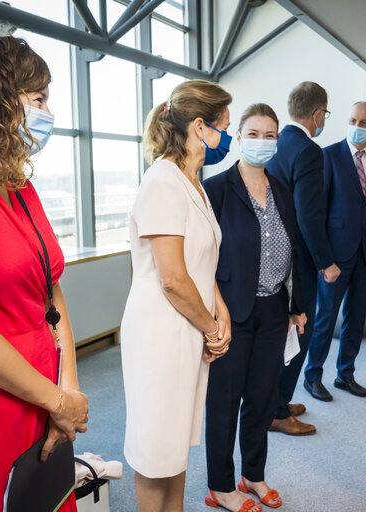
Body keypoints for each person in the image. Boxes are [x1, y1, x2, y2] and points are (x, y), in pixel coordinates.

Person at [0, 35, 89, 512]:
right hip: (0, 392)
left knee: (51, 495)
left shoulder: (19, 185)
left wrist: (69, 392)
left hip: (50, 387)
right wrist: (55, 400)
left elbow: (50, 292)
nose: (47, 113)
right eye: (38, 99)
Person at [120, 80, 233, 512]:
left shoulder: (194, 183)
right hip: (162, 329)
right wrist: (212, 329)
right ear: (200, 126)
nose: (229, 136)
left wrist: (218, 309)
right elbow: (172, 277)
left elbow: (201, 261)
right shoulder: (163, 182)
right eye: (224, 125)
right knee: (155, 450)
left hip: (189, 323)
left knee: (176, 442)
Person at [203, 103, 308, 512]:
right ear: (239, 137)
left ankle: (253, 475)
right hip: (230, 311)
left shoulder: (281, 187)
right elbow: (202, 257)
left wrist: (295, 305)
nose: (261, 142)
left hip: (273, 310)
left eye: (269, 135)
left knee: (263, 398)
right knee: (225, 401)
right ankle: (220, 485)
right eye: (253, 133)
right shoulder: (216, 189)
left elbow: (294, 250)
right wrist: (212, 311)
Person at [267, 81, 340, 435]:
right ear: (317, 114)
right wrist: (326, 261)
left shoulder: (272, 144)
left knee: (279, 334)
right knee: (299, 332)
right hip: (297, 263)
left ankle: (273, 401)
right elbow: (309, 214)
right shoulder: (310, 151)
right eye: (324, 114)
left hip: (269, 257)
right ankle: (278, 411)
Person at [303, 101, 366, 400]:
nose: (357, 126)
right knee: (325, 317)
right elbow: (318, 211)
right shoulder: (328, 157)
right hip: (335, 257)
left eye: (364, 122)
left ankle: (345, 375)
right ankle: (312, 376)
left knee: (355, 320)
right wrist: (323, 259)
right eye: (353, 120)